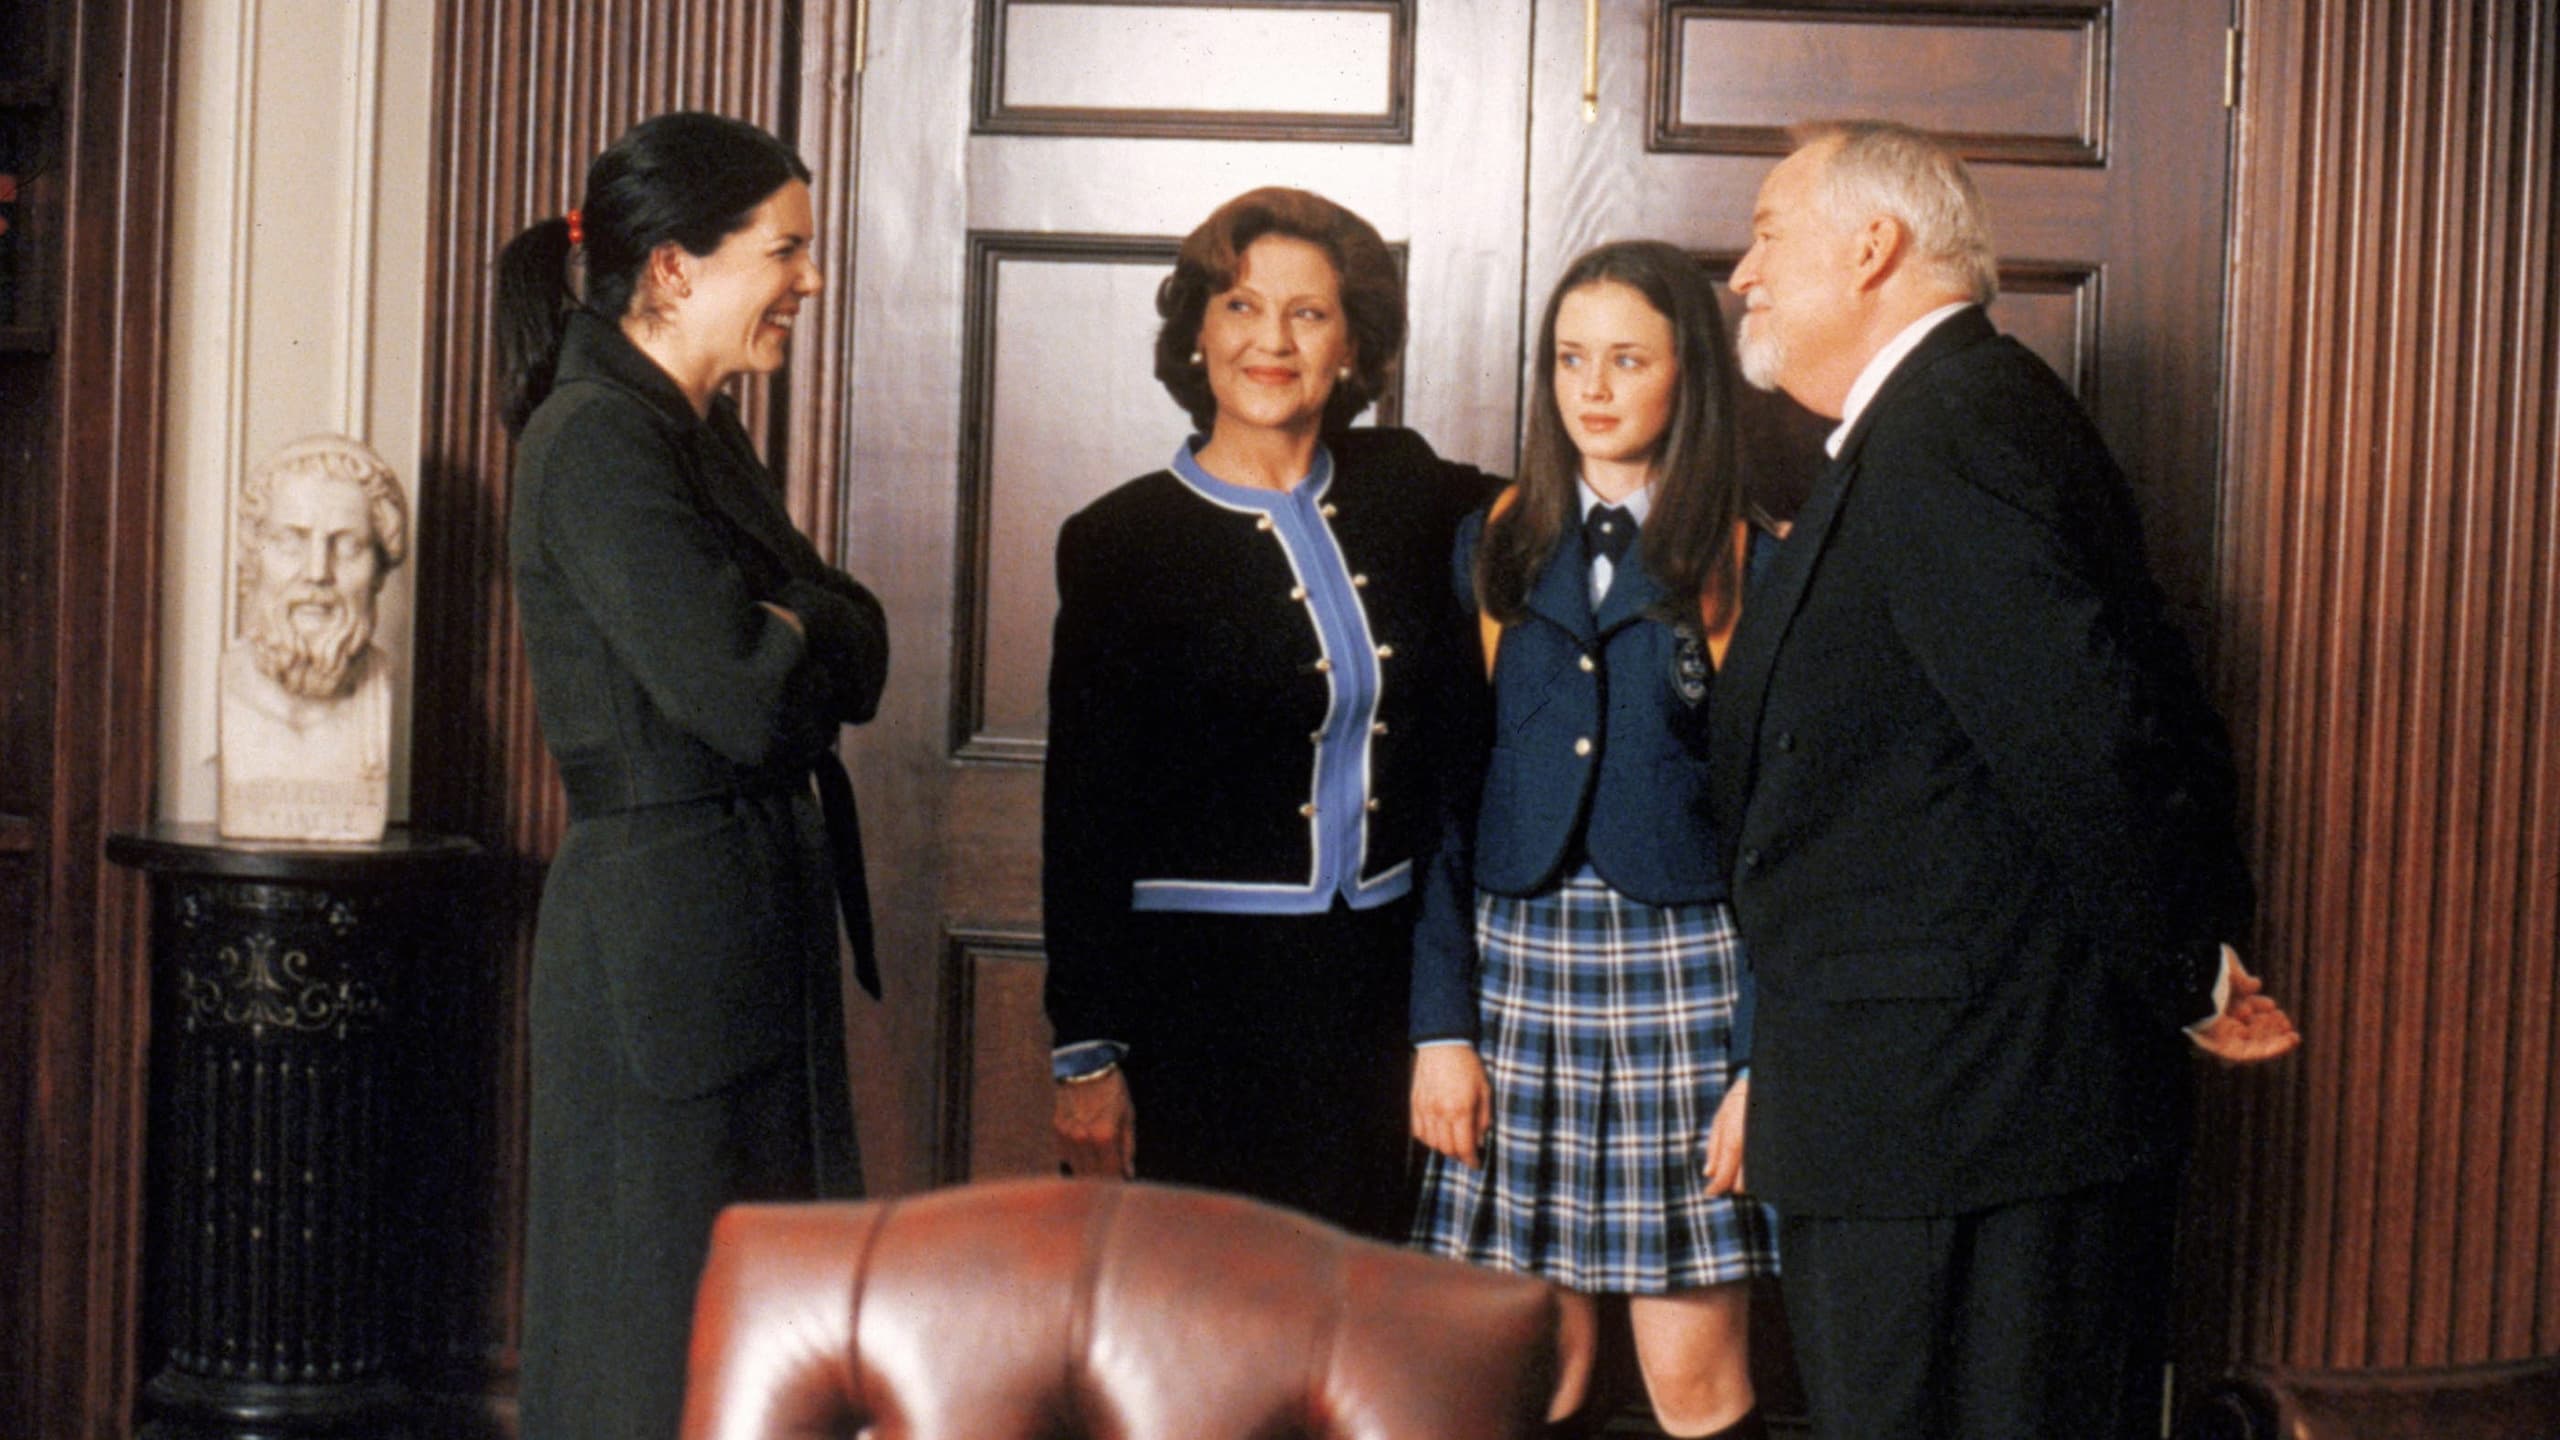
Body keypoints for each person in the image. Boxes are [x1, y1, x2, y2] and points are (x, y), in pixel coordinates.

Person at [1707, 119, 2300, 1440]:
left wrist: (2187, 970)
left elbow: (2088, 732)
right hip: (1926, 1110)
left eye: (1767, 234)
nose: (1743, 274)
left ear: (1871, 248)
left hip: (1965, 1123)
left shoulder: (1951, 425)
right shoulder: (1936, 419)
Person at [493, 111, 887, 1440]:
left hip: (737, 917)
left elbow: (857, 646)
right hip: (663, 945)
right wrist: (809, 624)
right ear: (672, 269)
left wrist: (800, 623)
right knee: (653, 1337)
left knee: (759, 1339)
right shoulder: (595, 438)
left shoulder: (696, 430)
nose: (811, 280)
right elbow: (741, 694)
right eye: (786, 250)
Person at [1043, 186, 1497, 1241]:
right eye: (1241, 307)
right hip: (1200, 1006)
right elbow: (1084, 816)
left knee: (1365, 1298)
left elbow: (1565, 507)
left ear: (1352, 345)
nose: (1272, 342)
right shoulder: (1119, 542)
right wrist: (1086, 1055)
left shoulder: (1408, 486)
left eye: (1309, 313)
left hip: (1378, 992)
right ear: (1197, 334)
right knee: (1213, 1304)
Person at [1406, 242, 1776, 1440]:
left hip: (1686, 983)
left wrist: (1760, 1065)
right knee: (1535, 1375)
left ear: (1689, 376)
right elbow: (1443, 803)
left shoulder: (1749, 557)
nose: (1594, 389)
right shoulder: (1492, 543)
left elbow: (1786, 838)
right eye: (1571, 360)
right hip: (1516, 980)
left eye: (1628, 360)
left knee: (1692, 1377)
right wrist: (1441, 1030)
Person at [217, 434, 407, 841]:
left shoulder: (379, 687)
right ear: (253, 558)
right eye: (290, 542)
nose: (318, 571)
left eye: (348, 546)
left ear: (378, 570)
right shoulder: (230, 680)